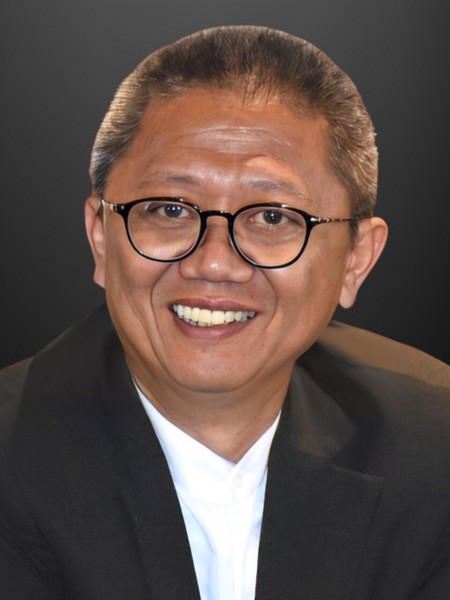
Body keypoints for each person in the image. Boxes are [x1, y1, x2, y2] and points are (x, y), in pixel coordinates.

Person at [0, 25, 449, 600]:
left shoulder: (434, 452)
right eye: (169, 209)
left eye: (273, 217)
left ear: (355, 260)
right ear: (101, 238)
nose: (213, 262)